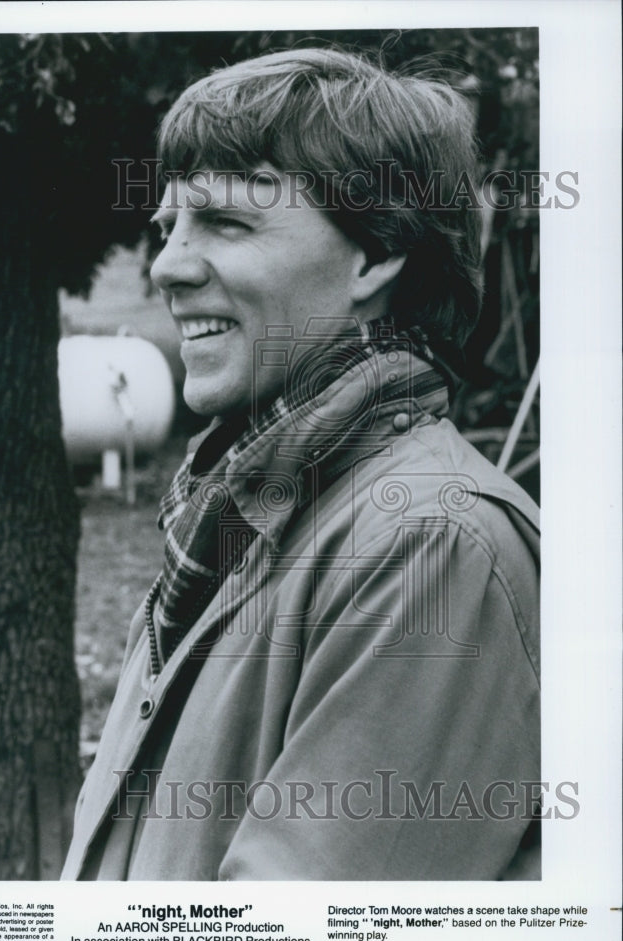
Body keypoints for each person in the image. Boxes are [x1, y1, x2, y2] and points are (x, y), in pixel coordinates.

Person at [61, 47, 540, 880]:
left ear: (373, 256)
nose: (168, 264)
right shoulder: (229, 512)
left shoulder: (430, 545)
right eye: (167, 224)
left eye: (226, 222)